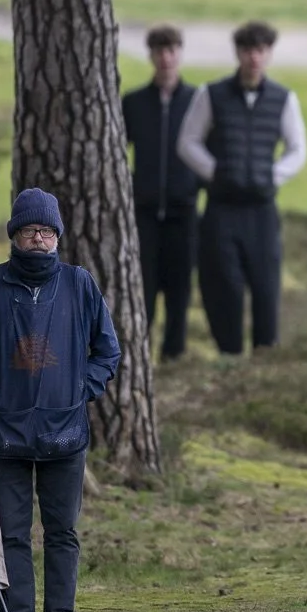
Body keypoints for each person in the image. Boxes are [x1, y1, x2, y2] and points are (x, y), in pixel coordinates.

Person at [0, 188, 121, 612]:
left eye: (46, 231)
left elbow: (108, 351)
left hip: (66, 435)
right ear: (15, 236)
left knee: (63, 534)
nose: (38, 240)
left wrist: (80, 390)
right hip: (6, 436)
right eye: (29, 231)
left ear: (57, 237)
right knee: (10, 537)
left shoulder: (79, 284)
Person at [177, 20, 307, 353]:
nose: (254, 57)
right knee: (224, 289)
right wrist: (216, 172)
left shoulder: (283, 99)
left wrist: (271, 175)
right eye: (248, 50)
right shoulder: (212, 95)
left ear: (269, 55)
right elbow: (188, 142)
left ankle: (265, 361)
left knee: (266, 288)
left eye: (261, 50)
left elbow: (298, 149)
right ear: (238, 53)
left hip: (262, 212)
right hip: (222, 209)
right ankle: (229, 357)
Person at [122, 24, 201, 361]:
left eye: (172, 50)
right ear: (151, 55)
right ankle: (140, 354)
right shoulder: (135, 103)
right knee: (144, 287)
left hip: (184, 213)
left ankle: (174, 355)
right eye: (159, 51)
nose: (166, 58)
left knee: (180, 289)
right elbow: (114, 150)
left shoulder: (198, 102)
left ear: (180, 53)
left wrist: (195, 186)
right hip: (144, 213)